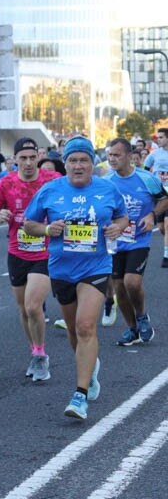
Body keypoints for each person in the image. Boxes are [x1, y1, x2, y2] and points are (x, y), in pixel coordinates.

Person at [23, 136, 128, 420]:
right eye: (73, 160)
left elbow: (122, 217)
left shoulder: (108, 189)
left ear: (92, 164)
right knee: (72, 330)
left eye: (84, 160)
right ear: (65, 163)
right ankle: (90, 367)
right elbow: (29, 224)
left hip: (95, 266)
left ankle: (79, 395)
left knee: (85, 326)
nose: (78, 166)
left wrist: (118, 228)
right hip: (61, 269)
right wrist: (47, 231)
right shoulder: (49, 190)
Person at [0, 137, 61, 382]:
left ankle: (41, 355)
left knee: (33, 306)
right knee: (23, 309)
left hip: (45, 252)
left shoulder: (52, 181)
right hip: (17, 251)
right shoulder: (6, 183)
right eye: (23, 158)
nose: (29, 163)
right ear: (15, 160)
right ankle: (35, 351)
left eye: (33, 157)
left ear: (38, 157)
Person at [104, 138, 168, 346]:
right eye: (110, 155)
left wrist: (152, 215)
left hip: (138, 239)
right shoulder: (106, 181)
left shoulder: (146, 178)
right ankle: (132, 329)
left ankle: (141, 316)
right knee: (119, 288)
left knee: (132, 282)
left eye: (117, 155)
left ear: (129, 156)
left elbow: (164, 198)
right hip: (114, 241)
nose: (112, 159)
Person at [143, 128, 168, 267]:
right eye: (158, 137)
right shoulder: (155, 154)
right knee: (161, 226)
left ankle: (166, 256)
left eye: (161, 137)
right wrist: (150, 181)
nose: (158, 140)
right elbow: (146, 168)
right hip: (159, 194)